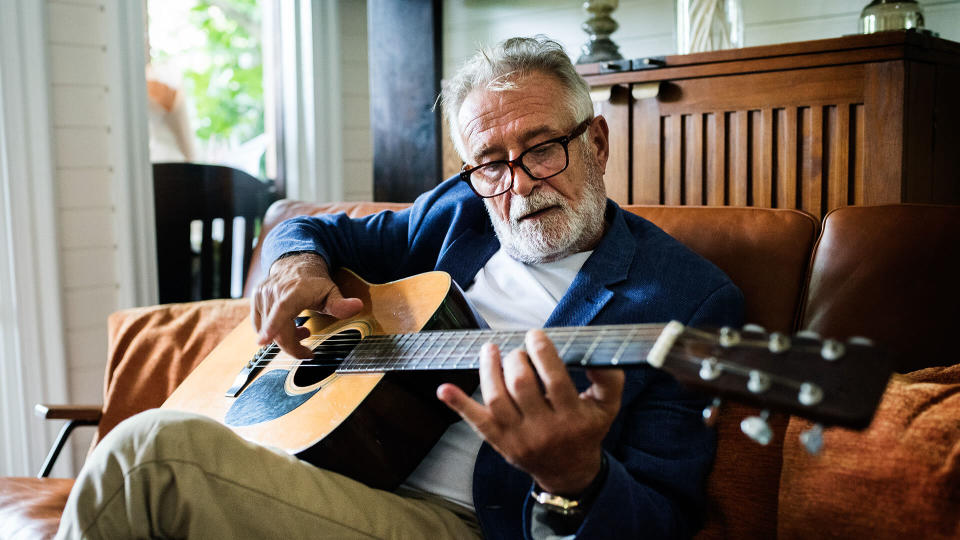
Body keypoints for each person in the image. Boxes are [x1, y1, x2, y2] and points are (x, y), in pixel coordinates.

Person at [56, 36, 743, 539]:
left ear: (596, 141)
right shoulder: (457, 212)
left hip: (461, 521)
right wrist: (295, 266)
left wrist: (574, 479)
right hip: (326, 462)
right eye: (490, 163)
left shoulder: (685, 299)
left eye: (541, 148)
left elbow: (664, 517)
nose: (520, 183)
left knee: (149, 456)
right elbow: (316, 229)